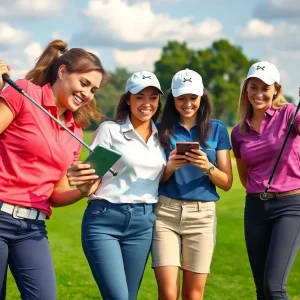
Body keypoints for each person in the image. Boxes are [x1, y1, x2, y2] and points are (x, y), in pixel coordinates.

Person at [0, 39, 107, 300]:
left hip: (32, 227)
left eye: (94, 90)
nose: (87, 94)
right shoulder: (23, 93)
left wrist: (83, 190)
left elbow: (56, 194)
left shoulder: (75, 131)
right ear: (62, 72)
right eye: (84, 83)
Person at [67, 71, 166, 300]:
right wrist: (83, 184)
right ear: (128, 99)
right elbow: (91, 184)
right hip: (105, 220)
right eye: (139, 96)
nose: (146, 103)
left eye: (153, 97)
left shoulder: (163, 135)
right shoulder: (110, 130)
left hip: (143, 224)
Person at [152, 68, 233, 300]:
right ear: (173, 99)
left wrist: (207, 166)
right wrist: (170, 168)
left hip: (202, 216)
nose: (187, 103)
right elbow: (153, 180)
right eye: (181, 98)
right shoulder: (159, 129)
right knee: (167, 294)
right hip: (165, 214)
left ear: (201, 97)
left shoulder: (217, 129)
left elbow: (227, 182)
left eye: (192, 98)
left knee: (193, 295)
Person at [231, 61, 300, 300]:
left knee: (274, 288)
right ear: (246, 89)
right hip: (255, 209)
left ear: (276, 90)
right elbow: (244, 173)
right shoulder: (239, 131)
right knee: (262, 290)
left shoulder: (290, 114)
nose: (258, 93)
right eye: (253, 87)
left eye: (265, 87)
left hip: (290, 207)